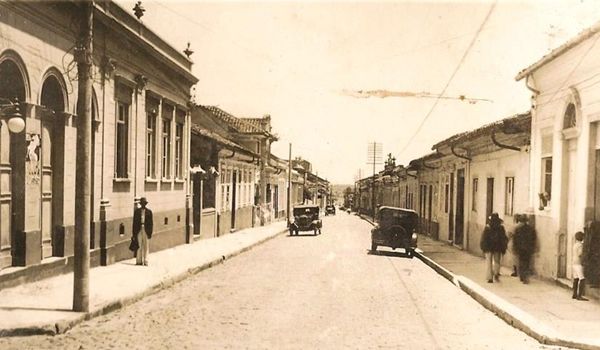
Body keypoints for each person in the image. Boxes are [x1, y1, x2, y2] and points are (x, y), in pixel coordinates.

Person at [480, 213, 508, 283]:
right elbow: (503, 238)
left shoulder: (488, 227)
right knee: (497, 261)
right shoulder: (501, 228)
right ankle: (496, 273)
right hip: (497, 248)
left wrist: (483, 247)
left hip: (488, 247)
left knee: (488, 263)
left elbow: (484, 238)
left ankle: (490, 278)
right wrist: (503, 247)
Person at [512, 214, 537, 284]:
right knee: (527, 262)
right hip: (528, 249)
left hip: (520, 249)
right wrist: (533, 247)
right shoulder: (531, 229)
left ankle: (522, 276)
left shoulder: (518, 229)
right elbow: (534, 239)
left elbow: (515, 239)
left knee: (521, 262)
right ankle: (525, 276)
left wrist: (515, 248)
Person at [132, 197, 153, 266]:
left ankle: (146, 261)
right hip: (139, 229)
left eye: (144, 203)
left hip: (146, 230)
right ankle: (139, 261)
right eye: (142, 203)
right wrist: (134, 233)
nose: (143, 205)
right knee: (139, 245)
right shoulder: (137, 212)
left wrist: (150, 233)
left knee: (146, 245)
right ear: (141, 204)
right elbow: (134, 223)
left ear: (145, 204)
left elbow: (151, 223)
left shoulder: (149, 212)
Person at [572, 231, 588, 301]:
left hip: (574, 262)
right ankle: (580, 296)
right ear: (581, 237)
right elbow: (580, 254)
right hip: (578, 263)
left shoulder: (575, 244)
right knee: (582, 278)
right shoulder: (580, 245)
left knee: (576, 278)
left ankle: (574, 294)